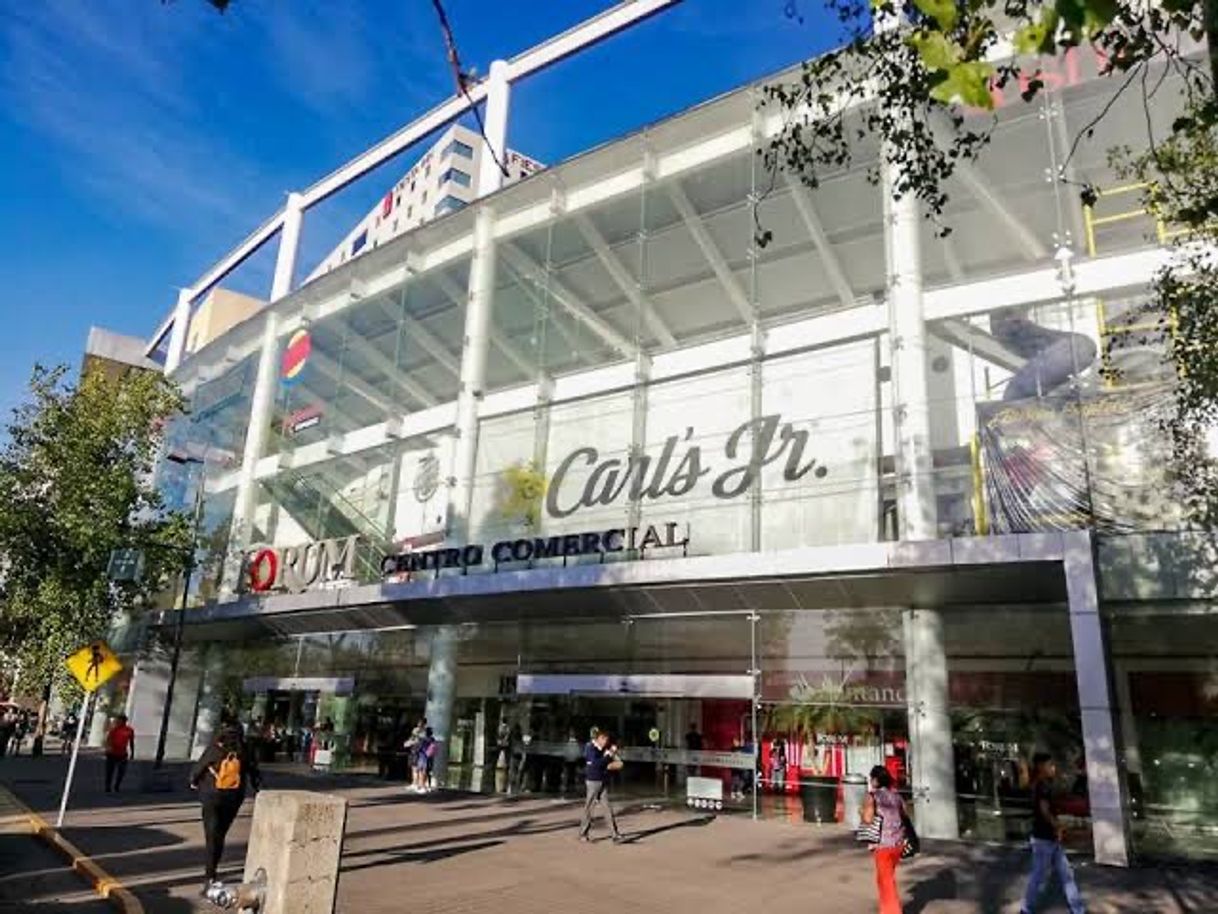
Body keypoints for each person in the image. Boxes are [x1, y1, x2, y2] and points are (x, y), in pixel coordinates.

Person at [190, 723, 261, 896]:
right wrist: (258, 788)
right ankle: (212, 869)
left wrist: (193, 782)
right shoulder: (244, 751)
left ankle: (210, 876)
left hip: (212, 797)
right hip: (234, 798)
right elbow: (254, 773)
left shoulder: (215, 749)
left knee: (211, 836)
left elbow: (198, 770)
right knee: (220, 834)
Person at [1020, 752, 1086, 914]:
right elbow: (1044, 811)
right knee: (1039, 876)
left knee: (1066, 874)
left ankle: (1078, 910)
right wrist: (1057, 826)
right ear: (1042, 767)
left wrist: (1057, 829)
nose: (1054, 768)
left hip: (1050, 838)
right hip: (1043, 838)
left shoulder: (1043, 784)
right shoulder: (1042, 786)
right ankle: (1026, 909)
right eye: (1050, 765)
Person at [860, 764, 908, 914]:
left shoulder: (872, 796)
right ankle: (885, 909)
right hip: (898, 844)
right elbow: (904, 815)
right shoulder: (897, 796)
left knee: (886, 880)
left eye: (871, 778)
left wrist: (861, 812)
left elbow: (868, 819)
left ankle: (892, 911)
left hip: (883, 845)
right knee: (884, 878)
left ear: (875, 780)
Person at [578, 730, 623, 843]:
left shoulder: (603, 748)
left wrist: (613, 755)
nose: (605, 742)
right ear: (599, 738)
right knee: (589, 808)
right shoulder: (590, 748)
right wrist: (608, 756)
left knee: (607, 807)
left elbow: (612, 760)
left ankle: (615, 834)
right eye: (604, 740)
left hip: (602, 781)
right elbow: (596, 764)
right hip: (593, 781)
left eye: (606, 740)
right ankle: (583, 833)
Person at [103, 714, 136, 793]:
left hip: (122, 754)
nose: (118, 722)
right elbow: (108, 740)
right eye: (118, 720)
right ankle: (108, 786)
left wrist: (132, 752)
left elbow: (131, 742)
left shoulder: (129, 730)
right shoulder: (114, 729)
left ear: (124, 721)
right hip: (112, 753)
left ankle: (117, 785)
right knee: (110, 771)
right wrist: (108, 748)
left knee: (121, 771)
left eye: (119, 720)